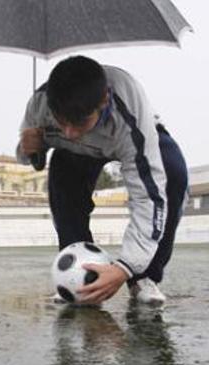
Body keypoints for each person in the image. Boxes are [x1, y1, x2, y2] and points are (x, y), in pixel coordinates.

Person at [17, 56, 188, 306]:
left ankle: (143, 277)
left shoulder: (130, 115)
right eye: (61, 122)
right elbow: (30, 157)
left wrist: (126, 267)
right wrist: (29, 149)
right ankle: (78, 274)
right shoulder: (39, 103)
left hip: (128, 137)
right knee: (62, 173)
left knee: (173, 173)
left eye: (79, 122)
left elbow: (147, 196)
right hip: (76, 154)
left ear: (104, 101)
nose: (70, 133)